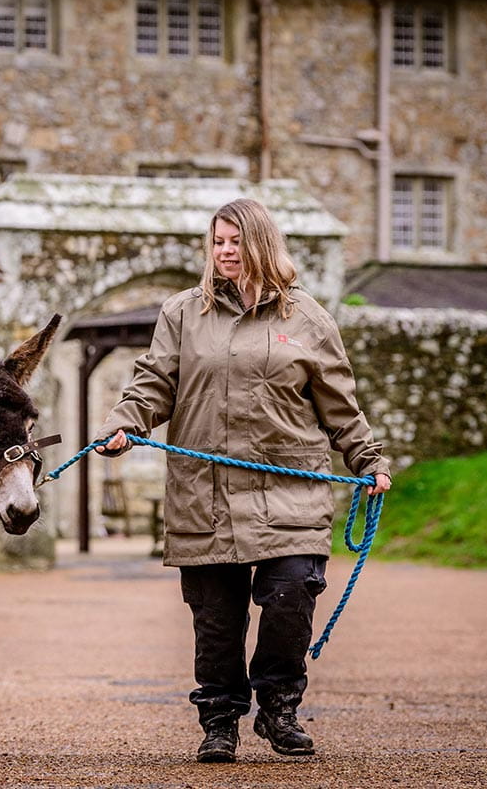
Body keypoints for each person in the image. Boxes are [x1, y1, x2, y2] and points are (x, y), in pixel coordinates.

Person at [94, 197, 391, 764]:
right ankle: (220, 720)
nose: (225, 252)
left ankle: (279, 707)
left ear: (261, 244)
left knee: (289, 599)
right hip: (204, 494)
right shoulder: (183, 312)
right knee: (217, 620)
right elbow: (152, 383)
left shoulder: (307, 319)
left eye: (235, 242)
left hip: (290, 491)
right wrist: (122, 425)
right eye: (217, 242)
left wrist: (368, 460)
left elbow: (339, 405)